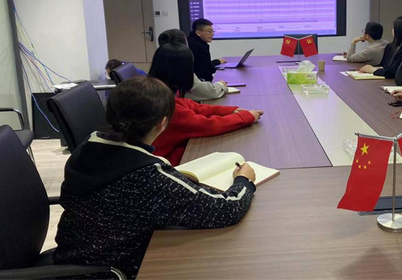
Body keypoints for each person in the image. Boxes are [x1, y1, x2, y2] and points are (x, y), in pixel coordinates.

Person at [53, 76, 256, 278]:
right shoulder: (147, 176)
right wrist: (244, 180)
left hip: (73, 256)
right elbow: (227, 209)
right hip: (112, 271)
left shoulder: (86, 148)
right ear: (163, 123)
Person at [149, 43, 263, 165]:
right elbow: (208, 125)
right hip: (164, 163)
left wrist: (229, 111)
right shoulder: (169, 108)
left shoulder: (156, 91)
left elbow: (192, 106)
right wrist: (244, 117)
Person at [158, 29, 229, 101]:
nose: (212, 34)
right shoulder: (181, 67)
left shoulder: (158, 62)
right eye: (209, 31)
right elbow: (211, 92)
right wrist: (220, 85)